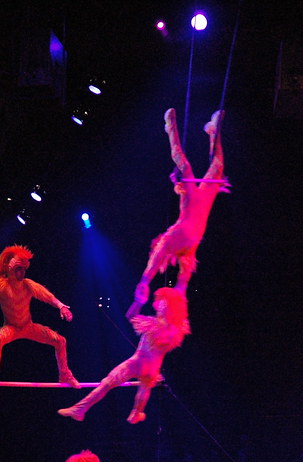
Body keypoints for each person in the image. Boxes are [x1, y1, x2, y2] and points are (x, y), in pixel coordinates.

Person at [126, 108, 225, 318]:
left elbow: (149, 273)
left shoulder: (168, 242)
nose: (169, 261)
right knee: (217, 168)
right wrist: (173, 313)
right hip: (202, 204)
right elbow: (182, 286)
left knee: (183, 164)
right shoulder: (187, 255)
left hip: (191, 203)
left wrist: (137, 303)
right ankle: (213, 130)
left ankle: (169, 125)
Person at [58, 287, 190, 424]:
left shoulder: (156, 325)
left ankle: (80, 409)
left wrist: (138, 302)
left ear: (168, 307)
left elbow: (131, 316)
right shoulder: (176, 329)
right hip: (152, 368)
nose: (159, 305)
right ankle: (136, 414)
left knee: (107, 383)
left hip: (137, 363)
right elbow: (181, 290)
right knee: (143, 389)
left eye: (163, 303)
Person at [0, 244, 80, 387]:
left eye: (24, 269)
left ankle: (65, 375)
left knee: (60, 341)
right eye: (19, 268)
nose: (22, 271)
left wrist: (61, 306)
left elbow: (48, 297)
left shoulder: (28, 285)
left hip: (28, 327)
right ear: (9, 265)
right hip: (10, 327)